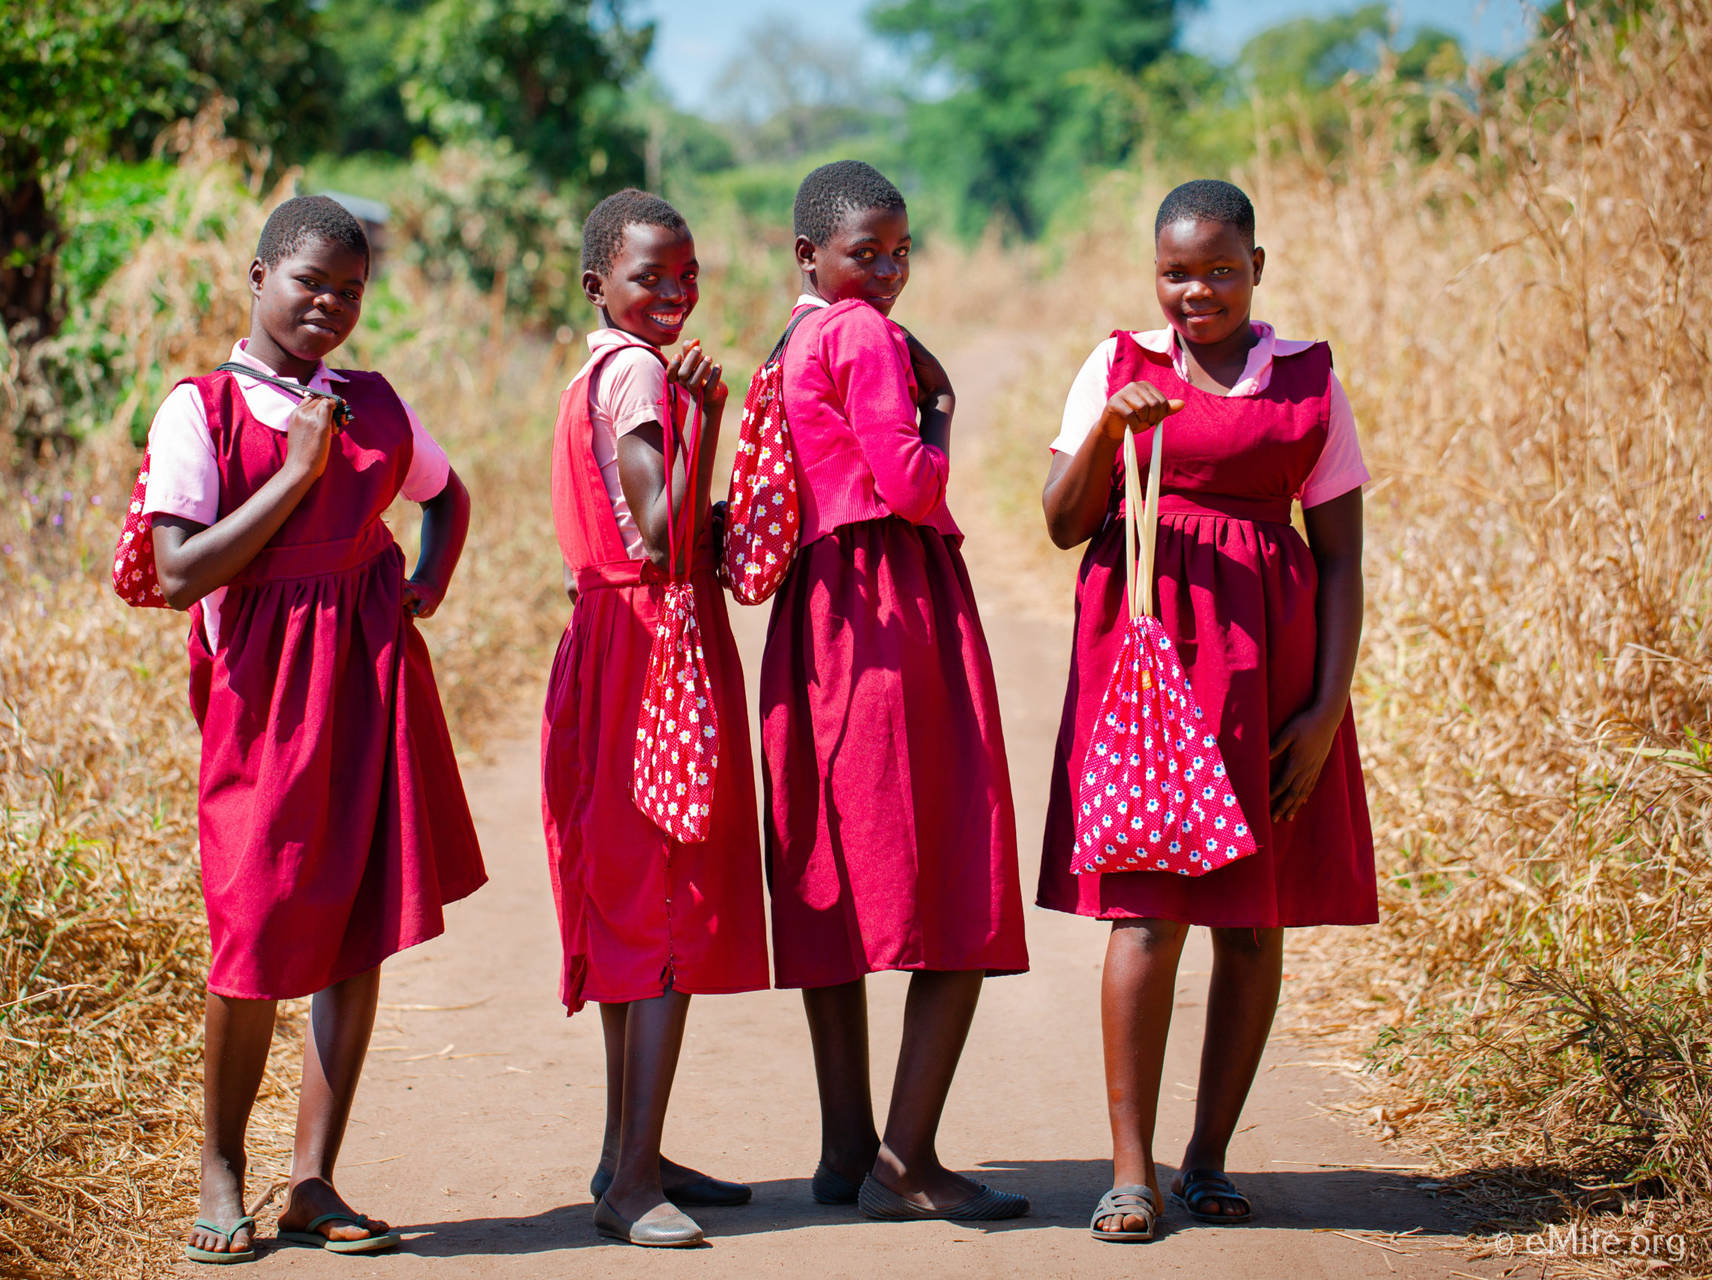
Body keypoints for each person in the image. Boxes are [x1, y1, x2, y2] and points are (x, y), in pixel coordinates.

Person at [141, 195, 486, 1263]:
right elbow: (176, 567)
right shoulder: (200, 409)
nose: (329, 306)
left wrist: (423, 582)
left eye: (350, 290)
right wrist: (296, 474)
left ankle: (314, 1180)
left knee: (354, 927)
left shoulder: (370, 403)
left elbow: (447, 492)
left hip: (372, 684)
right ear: (257, 277)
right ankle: (220, 1169)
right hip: (261, 702)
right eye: (308, 284)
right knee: (249, 935)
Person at [1038, 178, 1374, 1242]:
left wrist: (1324, 707)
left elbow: (1344, 561)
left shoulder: (1307, 377)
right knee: (1145, 909)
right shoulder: (1117, 364)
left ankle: (1211, 1156)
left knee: (1254, 922)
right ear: (1155, 274)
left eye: (1221, 269)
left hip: (1271, 669)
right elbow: (1061, 521)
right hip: (1146, 664)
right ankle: (1129, 1172)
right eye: (1177, 272)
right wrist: (1108, 435)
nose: (1198, 290)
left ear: (1257, 268)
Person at [761, 160, 1029, 1223]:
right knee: (958, 871)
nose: (885, 271)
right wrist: (946, 408)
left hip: (815, 614)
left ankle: (846, 1146)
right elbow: (912, 480)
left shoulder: (788, 343)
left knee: (833, 869)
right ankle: (906, 1157)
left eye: (899, 250)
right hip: (892, 600)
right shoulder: (865, 336)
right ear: (810, 256)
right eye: (865, 252)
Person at [540, 189, 770, 1248]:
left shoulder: (595, 369)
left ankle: (630, 1146)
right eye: (649, 277)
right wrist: (715, 420)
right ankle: (632, 1181)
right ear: (600, 286)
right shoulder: (637, 373)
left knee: (636, 902)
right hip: (655, 646)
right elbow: (667, 527)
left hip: (615, 640)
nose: (673, 292)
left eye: (687, 274)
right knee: (669, 908)